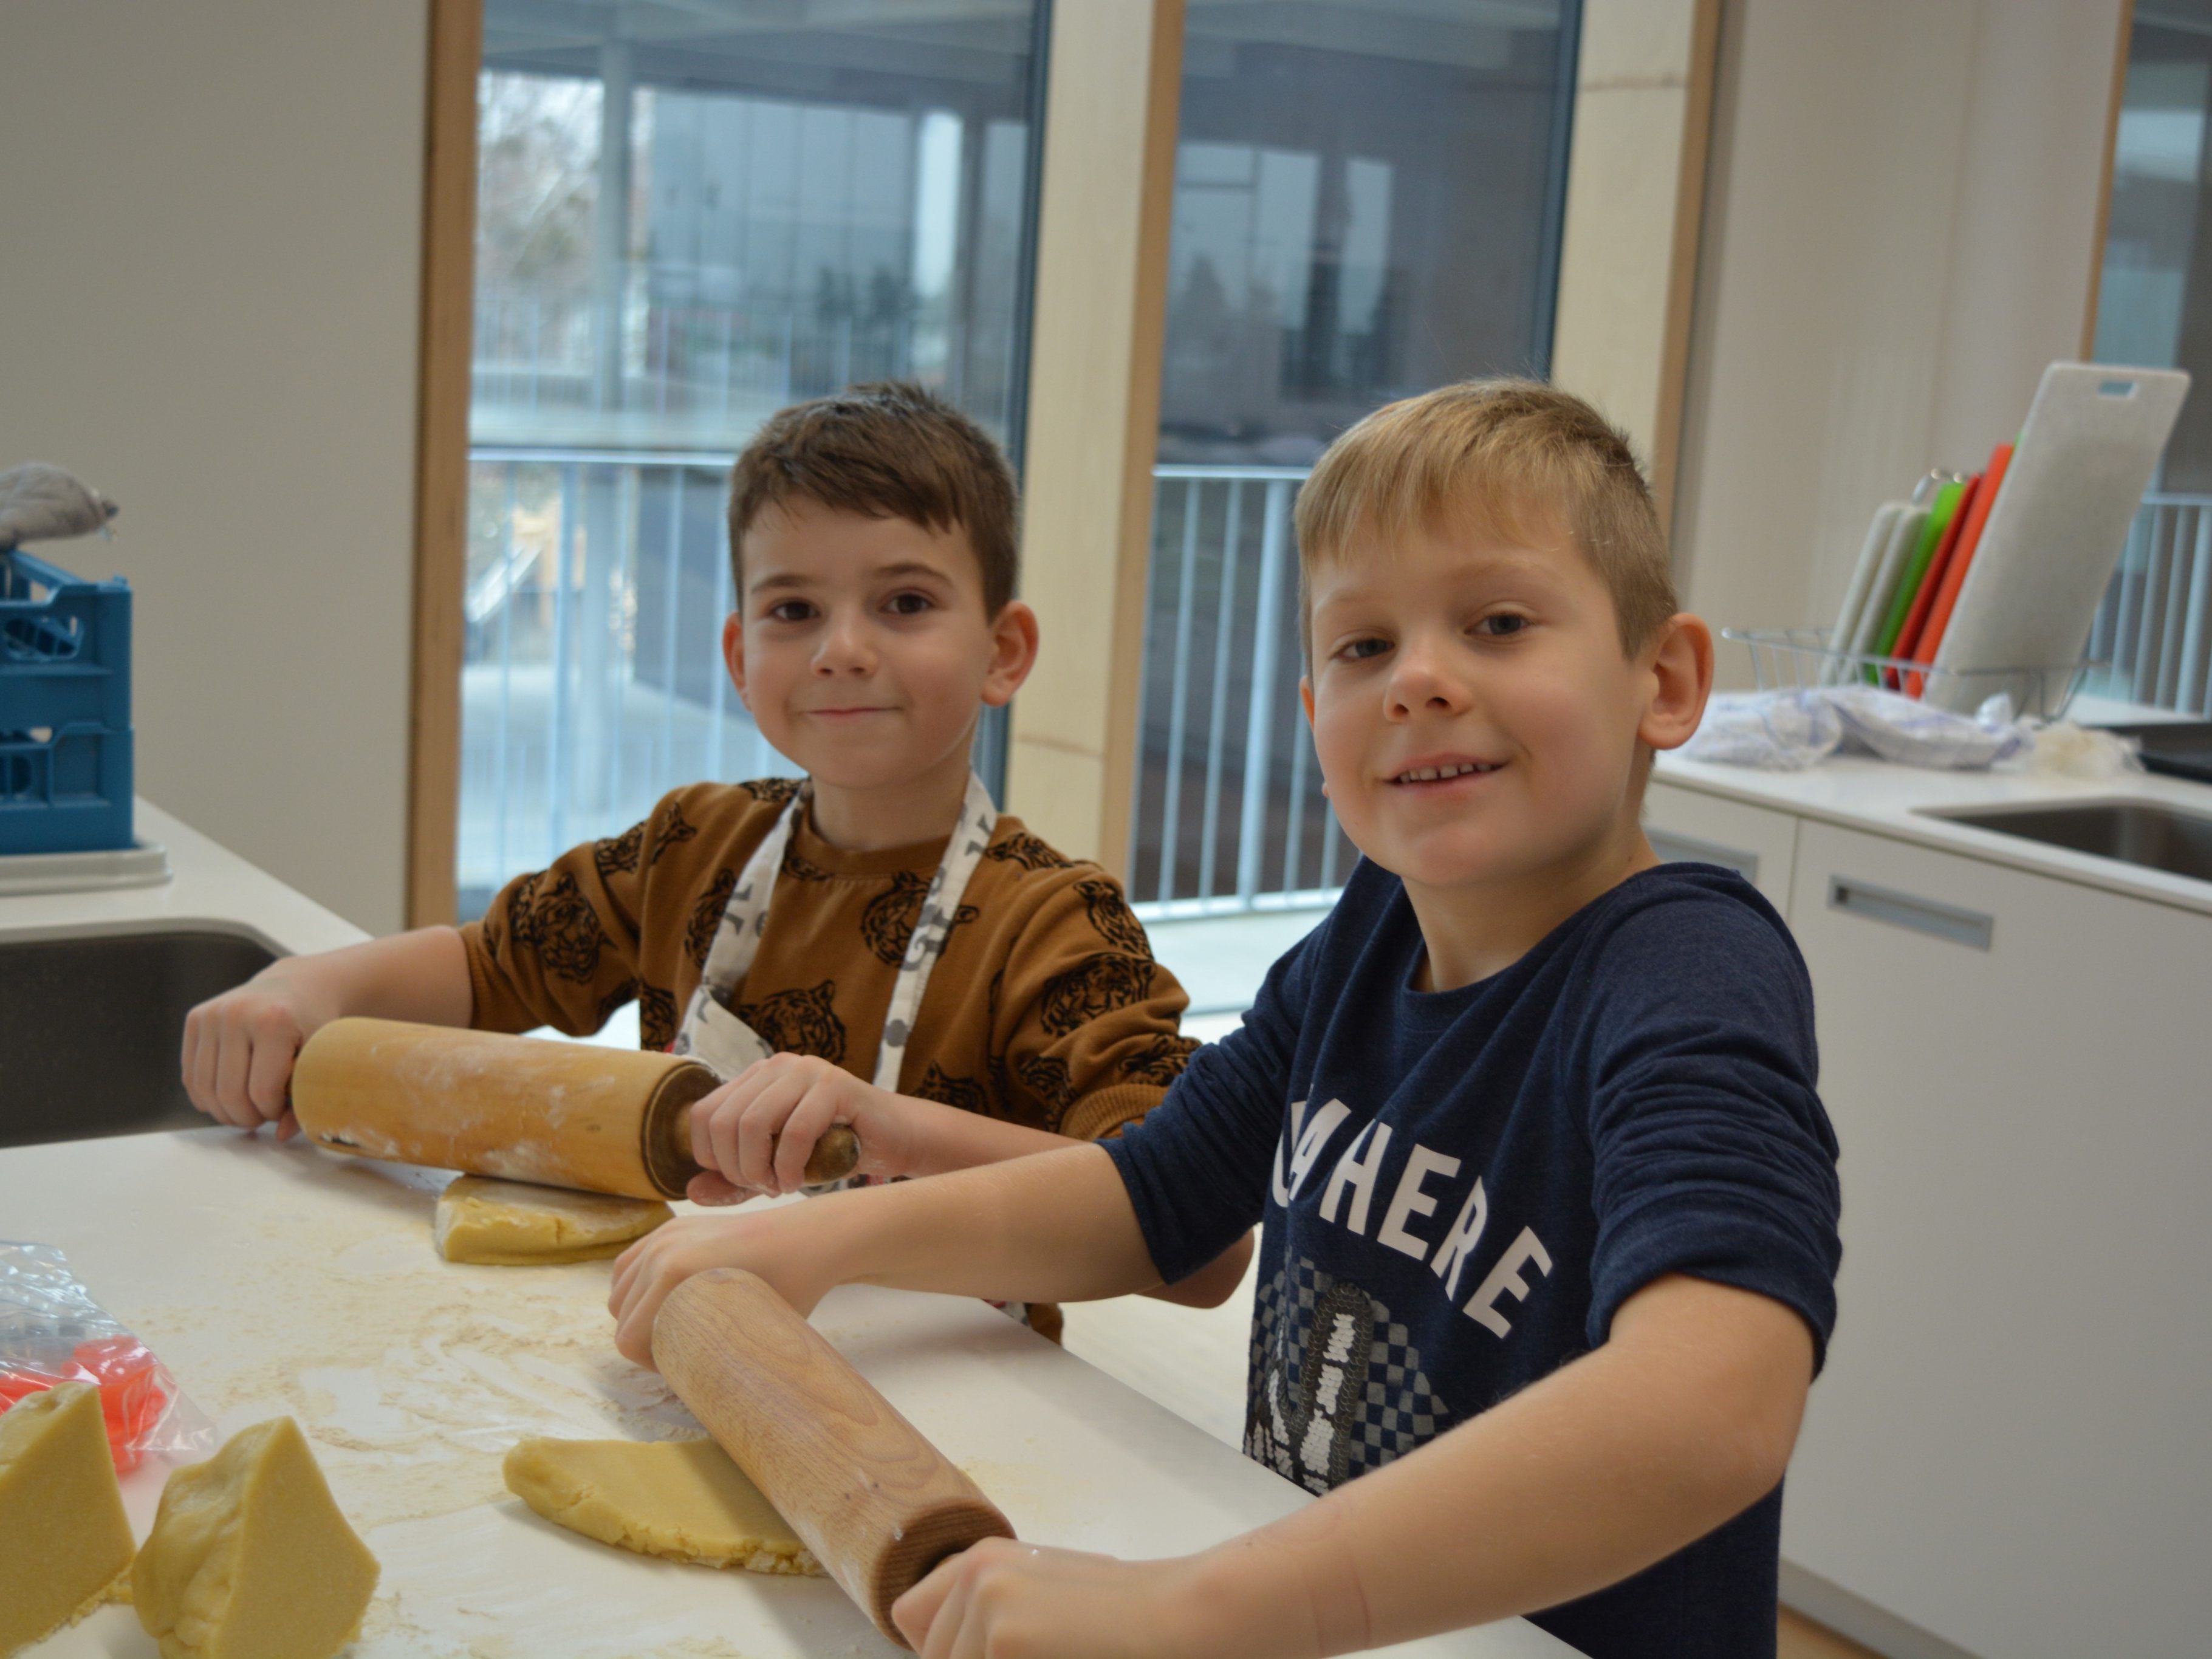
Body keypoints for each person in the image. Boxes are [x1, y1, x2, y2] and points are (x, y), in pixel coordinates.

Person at [608, 380, 1843, 1658]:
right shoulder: (1367, 938)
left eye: (1498, 622)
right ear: (1316, 716)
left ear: (1667, 678)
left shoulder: (1685, 968)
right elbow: (1153, 1201)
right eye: (1363, 646)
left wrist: (1192, 1606)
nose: (1420, 679)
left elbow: (1718, 1402)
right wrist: (825, 1246)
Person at [181, 382, 1252, 1330]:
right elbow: (485, 969)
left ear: (1002, 651)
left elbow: (1198, 1245)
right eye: (794, 609)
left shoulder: (1055, 927)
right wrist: (308, 987)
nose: (842, 646)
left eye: (906, 602)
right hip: (681, 1327)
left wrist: (890, 1131)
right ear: (742, 655)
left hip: (948, 1390)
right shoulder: (692, 849)